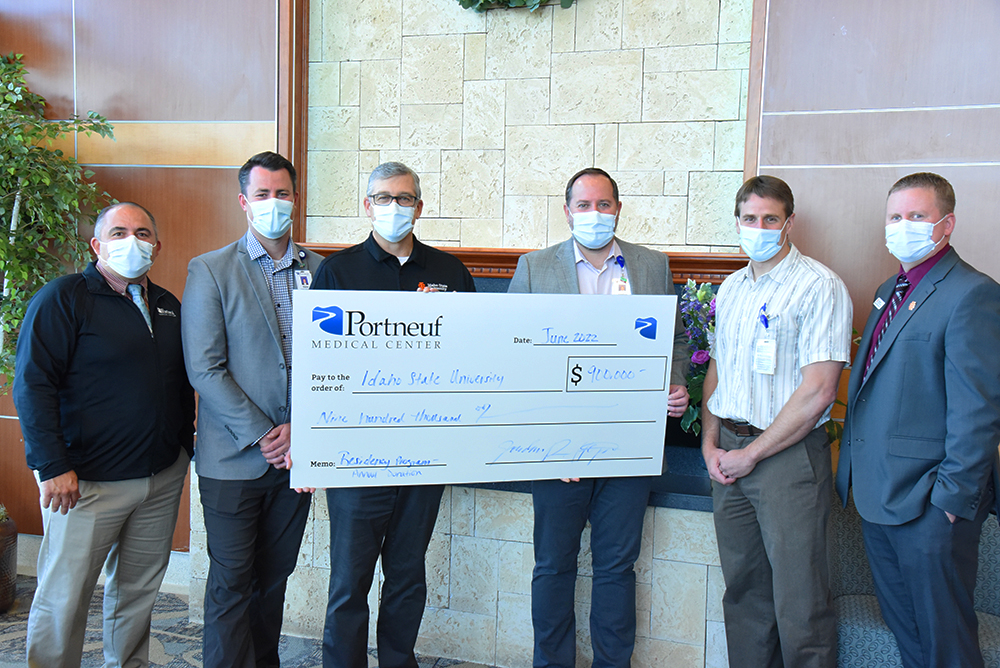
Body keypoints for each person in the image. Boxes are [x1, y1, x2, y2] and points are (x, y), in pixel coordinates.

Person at [507, 167, 690, 668]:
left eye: (603, 204)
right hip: (558, 450)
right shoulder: (535, 267)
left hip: (629, 447)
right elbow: (512, 356)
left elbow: (672, 338)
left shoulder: (651, 266)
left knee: (616, 568)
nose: (594, 215)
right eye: (583, 206)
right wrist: (548, 439)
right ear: (567, 212)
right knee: (553, 566)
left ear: (618, 208)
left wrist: (676, 382)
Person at [13, 202, 194, 668]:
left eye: (141, 232)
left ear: (156, 245)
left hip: (159, 478)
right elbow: (33, 385)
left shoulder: (168, 304)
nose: (131, 241)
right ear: (96, 245)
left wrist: (184, 450)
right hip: (84, 484)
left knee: (136, 595)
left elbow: (180, 382)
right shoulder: (63, 298)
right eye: (118, 232)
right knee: (64, 597)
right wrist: (51, 465)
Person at [311, 161, 475, 668]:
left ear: (420, 207)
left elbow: (473, 355)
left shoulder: (450, 273)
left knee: (407, 575)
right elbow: (319, 365)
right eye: (383, 198)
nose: (394, 207)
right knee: (350, 580)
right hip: (358, 457)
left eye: (404, 199)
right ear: (367, 206)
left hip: (426, 454)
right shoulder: (336, 272)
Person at [837, 172, 1000, 668]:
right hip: (878, 498)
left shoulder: (972, 294)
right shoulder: (892, 288)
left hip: (930, 507)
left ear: (946, 225)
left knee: (946, 645)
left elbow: (977, 411)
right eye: (895, 216)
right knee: (908, 637)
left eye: (916, 216)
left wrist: (948, 505)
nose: (902, 226)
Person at [701, 175, 851, 668]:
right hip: (729, 455)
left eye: (770, 219)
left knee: (799, 605)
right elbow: (717, 373)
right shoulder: (732, 287)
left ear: (789, 222)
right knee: (743, 596)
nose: (759, 227)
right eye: (750, 219)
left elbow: (819, 390)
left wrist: (751, 454)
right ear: (737, 222)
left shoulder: (820, 286)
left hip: (785, 460)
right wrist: (710, 444)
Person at [181, 151, 321, 668]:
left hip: (296, 461)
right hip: (234, 460)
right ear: (244, 202)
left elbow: (335, 365)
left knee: (273, 582)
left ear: (295, 199)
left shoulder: (322, 272)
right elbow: (205, 369)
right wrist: (266, 433)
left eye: (282, 193)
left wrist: (302, 430)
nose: (273, 203)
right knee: (232, 583)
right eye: (262, 195)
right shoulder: (212, 270)